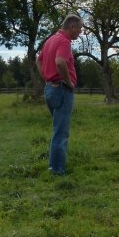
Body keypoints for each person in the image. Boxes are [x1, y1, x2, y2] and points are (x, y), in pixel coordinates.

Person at [37, 14, 83, 175]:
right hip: (62, 90)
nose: (80, 32)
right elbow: (60, 62)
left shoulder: (51, 39)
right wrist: (69, 82)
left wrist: (47, 78)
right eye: (80, 28)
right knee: (61, 132)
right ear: (72, 27)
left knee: (57, 129)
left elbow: (39, 60)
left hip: (50, 89)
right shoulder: (64, 41)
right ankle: (57, 170)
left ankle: (54, 165)